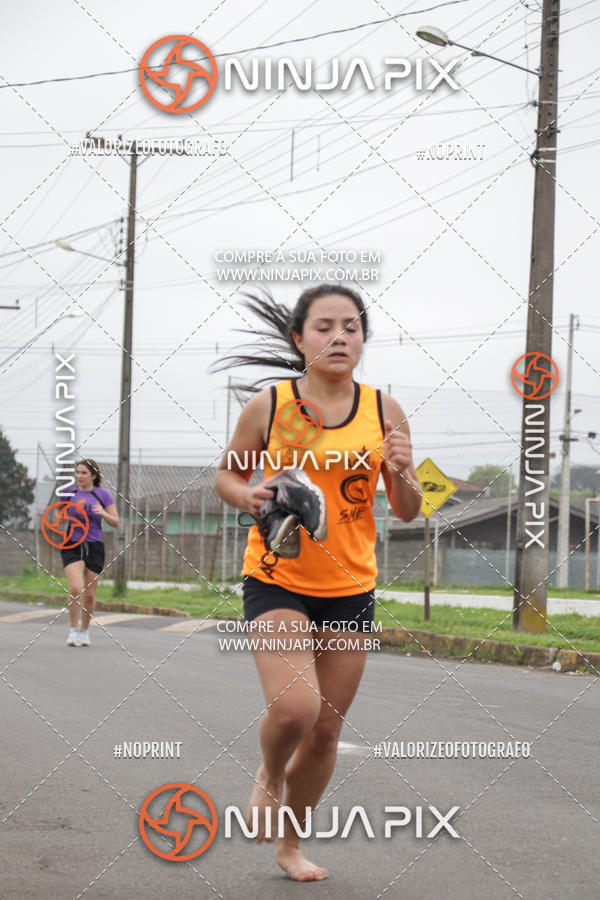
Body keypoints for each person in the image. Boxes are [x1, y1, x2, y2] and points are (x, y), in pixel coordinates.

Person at [214, 285, 422, 881]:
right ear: (298, 338)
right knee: (293, 713)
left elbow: (410, 508)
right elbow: (227, 477)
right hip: (277, 577)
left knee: (326, 731)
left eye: (352, 327)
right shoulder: (269, 407)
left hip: (350, 586)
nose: (339, 336)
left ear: (363, 338)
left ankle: (290, 847)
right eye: (325, 326)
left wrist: (405, 471)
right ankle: (269, 773)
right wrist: (247, 494)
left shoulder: (387, 410)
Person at [60, 459, 119, 647]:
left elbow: (115, 521)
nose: (79, 476)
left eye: (84, 473)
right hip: (72, 544)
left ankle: (84, 631)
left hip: (94, 545)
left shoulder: (103, 495)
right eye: (77, 472)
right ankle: (72, 630)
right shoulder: (69, 493)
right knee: (76, 588)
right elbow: (56, 514)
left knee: (90, 594)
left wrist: (103, 512)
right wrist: (59, 522)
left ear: (93, 476)